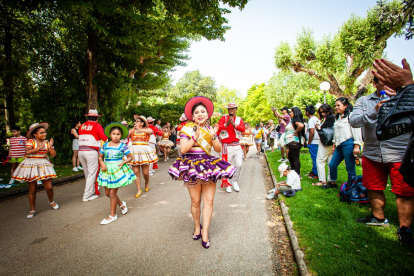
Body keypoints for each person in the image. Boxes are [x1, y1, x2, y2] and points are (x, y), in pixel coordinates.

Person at [350, 75, 414, 246]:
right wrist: (374, 111)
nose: (387, 85)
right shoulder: (364, 101)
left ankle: (405, 228)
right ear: (374, 83)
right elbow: (353, 121)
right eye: (382, 82)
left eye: (391, 82)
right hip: (372, 152)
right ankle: (378, 216)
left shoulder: (407, 96)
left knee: (404, 191)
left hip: (400, 152)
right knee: (373, 186)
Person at [168, 96, 235, 249]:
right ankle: (197, 227)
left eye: (203, 112)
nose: (200, 114)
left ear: (207, 114)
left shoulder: (210, 130)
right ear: (192, 116)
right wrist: (195, 137)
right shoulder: (186, 129)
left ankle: (205, 232)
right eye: (197, 112)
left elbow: (217, 150)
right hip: (192, 166)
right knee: (195, 202)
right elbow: (184, 149)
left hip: (208, 165)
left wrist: (213, 137)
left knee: (209, 201)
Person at [11, 123, 59, 218]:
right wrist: (40, 147)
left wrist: (51, 146)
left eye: (44, 132)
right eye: (41, 133)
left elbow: (53, 155)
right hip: (31, 165)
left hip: (43, 164)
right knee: (33, 189)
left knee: (49, 187)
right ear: (35, 134)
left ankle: (51, 201)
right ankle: (32, 209)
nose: (44, 134)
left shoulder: (47, 142)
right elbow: (27, 151)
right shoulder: (30, 141)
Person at [98, 123, 136, 225]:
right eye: (114, 134)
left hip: (118, 170)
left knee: (111, 193)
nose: (116, 136)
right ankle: (121, 204)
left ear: (121, 135)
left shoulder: (123, 146)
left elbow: (130, 157)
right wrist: (102, 163)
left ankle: (112, 215)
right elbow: (100, 156)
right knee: (107, 193)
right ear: (110, 134)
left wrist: (123, 162)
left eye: (118, 134)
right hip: (107, 170)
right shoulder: (105, 145)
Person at [325, 98, 362, 189]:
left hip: (348, 143)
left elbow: (357, 130)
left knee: (350, 167)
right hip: (339, 145)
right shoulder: (337, 117)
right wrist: (334, 145)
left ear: (345, 106)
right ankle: (332, 182)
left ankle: (351, 187)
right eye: (335, 106)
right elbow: (336, 133)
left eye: (338, 105)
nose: (336, 107)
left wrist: (357, 145)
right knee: (332, 164)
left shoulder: (351, 116)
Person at [78, 109, 108, 201]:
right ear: (97, 118)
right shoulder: (97, 125)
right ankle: (87, 195)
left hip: (81, 150)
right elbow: (104, 137)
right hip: (91, 151)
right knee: (92, 173)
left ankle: (91, 191)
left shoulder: (82, 125)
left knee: (87, 173)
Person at [218, 102, 245, 193]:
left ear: (236, 109)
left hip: (237, 145)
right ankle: (227, 183)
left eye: (233, 109)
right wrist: (227, 123)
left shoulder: (239, 119)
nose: (231, 110)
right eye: (229, 109)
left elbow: (243, 129)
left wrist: (234, 125)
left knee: (239, 164)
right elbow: (218, 128)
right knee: (227, 165)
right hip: (227, 146)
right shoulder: (223, 118)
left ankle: (235, 181)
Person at [129, 115, 158, 197]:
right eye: (135, 121)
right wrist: (132, 130)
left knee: (145, 173)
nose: (136, 123)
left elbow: (151, 132)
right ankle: (138, 189)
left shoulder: (147, 129)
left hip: (144, 151)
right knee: (136, 172)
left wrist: (139, 129)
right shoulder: (132, 130)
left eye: (138, 121)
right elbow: (126, 136)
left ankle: (146, 182)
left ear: (142, 123)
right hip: (134, 151)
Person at [314, 104, 335, 186]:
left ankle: (322, 180)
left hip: (326, 142)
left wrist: (318, 127)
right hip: (332, 142)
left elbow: (322, 128)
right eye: (321, 112)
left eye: (324, 111)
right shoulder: (333, 117)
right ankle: (331, 179)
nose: (322, 113)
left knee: (320, 160)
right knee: (330, 161)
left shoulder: (330, 117)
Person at [282, 107, 306, 177]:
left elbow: (301, 126)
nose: (290, 113)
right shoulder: (293, 120)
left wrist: (296, 132)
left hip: (294, 142)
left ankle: (297, 174)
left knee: (295, 158)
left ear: (295, 112)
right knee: (290, 157)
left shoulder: (296, 119)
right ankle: (293, 172)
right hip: (292, 142)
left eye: (291, 112)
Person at [305, 105, 320, 179]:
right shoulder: (315, 119)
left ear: (307, 112)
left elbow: (312, 132)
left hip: (313, 142)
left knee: (314, 158)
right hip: (317, 141)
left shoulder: (311, 120)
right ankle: (314, 171)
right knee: (316, 157)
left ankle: (316, 173)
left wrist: (309, 141)